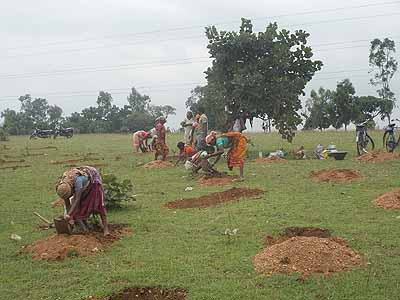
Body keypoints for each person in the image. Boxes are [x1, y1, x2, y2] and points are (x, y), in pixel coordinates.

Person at [55, 166, 109, 236]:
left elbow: (77, 200)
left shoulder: (78, 182)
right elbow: (67, 203)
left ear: (71, 190)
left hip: (93, 181)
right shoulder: (63, 186)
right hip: (83, 185)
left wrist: (69, 215)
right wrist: (70, 218)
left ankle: (106, 229)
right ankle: (85, 229)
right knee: (77, 208)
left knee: (99, 205)